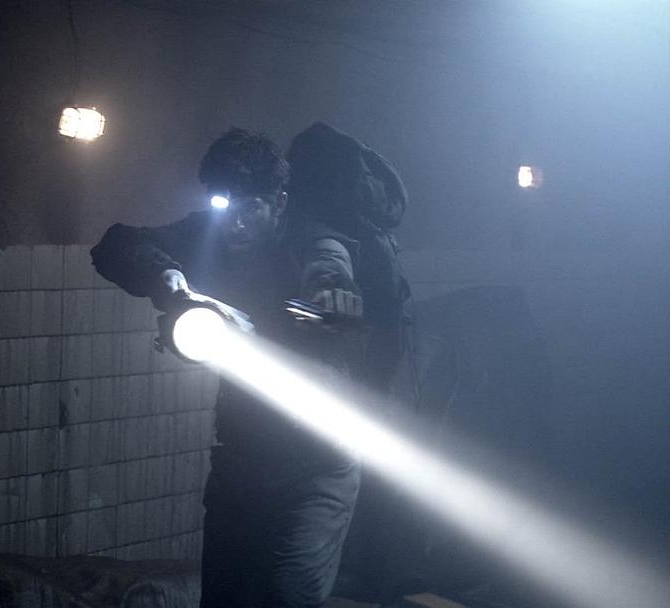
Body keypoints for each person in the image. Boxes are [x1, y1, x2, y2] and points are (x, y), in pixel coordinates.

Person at [91, 128, 365, 607]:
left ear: (278, 203)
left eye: (249, 208)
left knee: (288, 595)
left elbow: (330, 266)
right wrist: (164, 274)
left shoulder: (311, 240)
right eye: (222, 205)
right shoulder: (208, 231)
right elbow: (115, 244)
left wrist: (331, 294)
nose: (233, 223)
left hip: (316, 463)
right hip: (243, 457)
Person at [286, 121, 424, 604]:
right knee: (374, 499)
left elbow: (336, 289)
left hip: (362, 382)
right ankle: (371, 584)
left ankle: (365, 584)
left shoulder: (333, 227)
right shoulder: (369, 225)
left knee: (361, 502)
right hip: (378, 381)